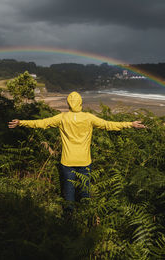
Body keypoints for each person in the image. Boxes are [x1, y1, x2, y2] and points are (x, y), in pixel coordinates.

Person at [8, 91, 145, 214]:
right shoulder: (88, 117)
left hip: (67, 162)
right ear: (81, 103)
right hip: (85, 161)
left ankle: (69, 219)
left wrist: (21, 122)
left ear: (68, 103)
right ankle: (86, 217)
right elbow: (108, 124)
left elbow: (41, 123)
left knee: (69, 192)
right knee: (85, 192)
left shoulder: (62, 117)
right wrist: (130, 124)